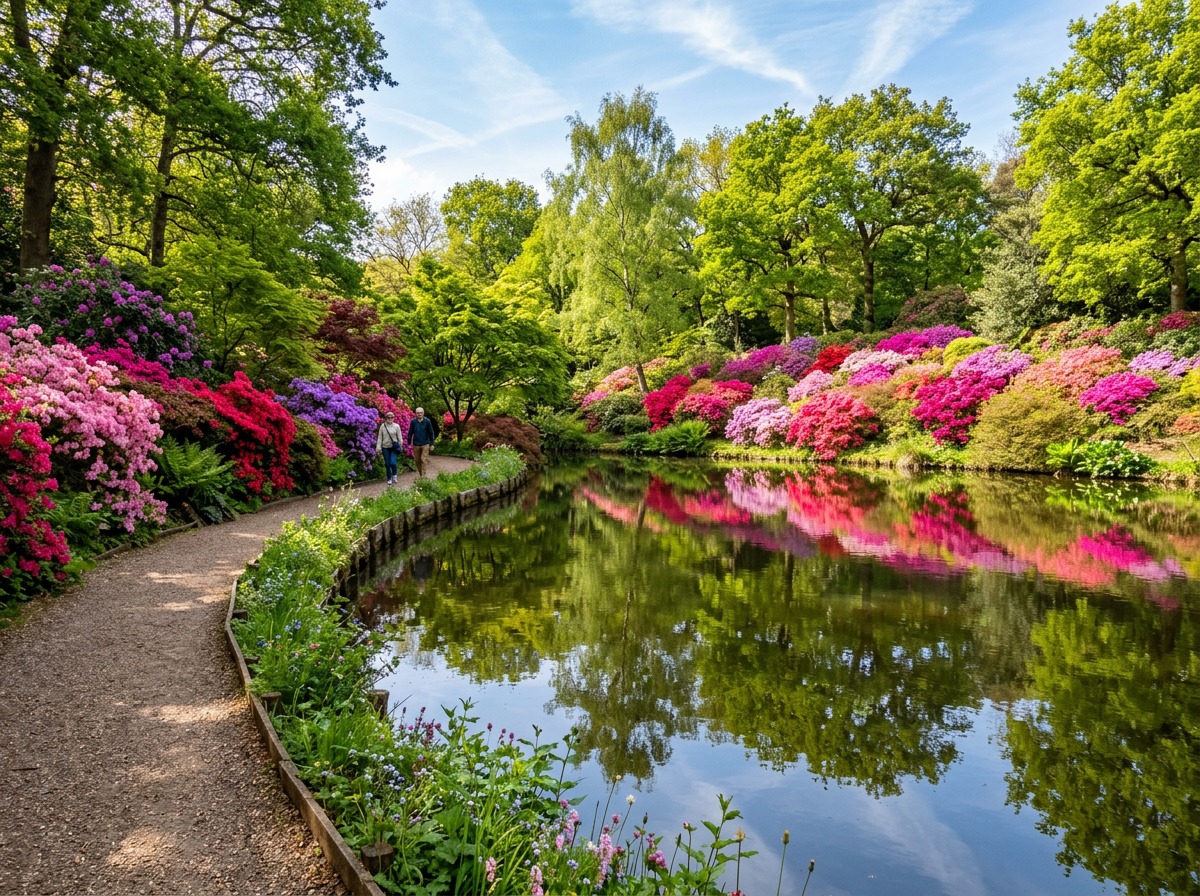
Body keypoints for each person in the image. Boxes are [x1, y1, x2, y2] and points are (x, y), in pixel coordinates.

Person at [376, 411, 404, 485]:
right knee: (387, 464)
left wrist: (400, 445)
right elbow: (380, 438)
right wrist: (378, 448)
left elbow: (400, 437)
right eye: (388, 417)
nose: (390, 419)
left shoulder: (396, 426)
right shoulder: (383, 426)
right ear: (385, 418)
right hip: (385, 447)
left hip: (394, 448)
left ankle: (394, 475)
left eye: (392, 417)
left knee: (393, 463)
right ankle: (389, 478)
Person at [407, 406, 436, 477]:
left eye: (421, 413)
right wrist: (409, 443)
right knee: (417, 460)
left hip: (425, 444)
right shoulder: (413, 422)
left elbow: (431, 433)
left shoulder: (427, 421)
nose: (419, 414)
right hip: (416, 444)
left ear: (423, 413)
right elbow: (410, 433)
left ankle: (423, 475)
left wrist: (432, 444)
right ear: (415, 414)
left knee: (423, 459)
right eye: (418, 413)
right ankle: (421, 474)